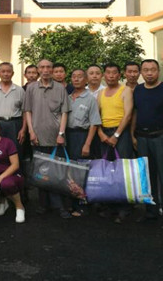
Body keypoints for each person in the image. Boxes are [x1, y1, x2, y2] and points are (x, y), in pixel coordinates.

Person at [131, 59, 163, 230]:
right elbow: (135, 113)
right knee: (147, 177)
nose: (149, 73)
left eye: (153, 69)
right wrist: (132, 135)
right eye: (145, 70)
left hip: (162, 137)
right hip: (142, 138)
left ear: (158, 71)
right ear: (141, 72)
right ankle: (151, 211)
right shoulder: (138, 90)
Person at [24, 59, 71, 218]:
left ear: (52, 69)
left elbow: (64, 112)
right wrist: (31, 132)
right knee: (41, 172)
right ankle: (43, 204)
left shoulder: (60, 88)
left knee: (58, 173)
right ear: (38, 69)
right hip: (37, 137)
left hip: (56, 138)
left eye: (48, 67)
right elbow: (28, 111)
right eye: (42, 67)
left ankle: (60, 206)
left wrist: (61, 134)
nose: (45, 70)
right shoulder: (31, 88)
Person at [96, 63, 134, 223]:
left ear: (119, 75)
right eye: (108, 73)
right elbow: (96, 116)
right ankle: (110, 206)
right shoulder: (101, 93)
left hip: (121, 133)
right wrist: (101, 133)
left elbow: (128, 115)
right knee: (107, 170)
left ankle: (124, 208)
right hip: (104, 133)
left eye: (114, 73)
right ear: (104, 75)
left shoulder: (126, 90)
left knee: (122, 170)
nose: (111, 76)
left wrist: (116, 135)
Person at [67, 68, 101, 216]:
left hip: (82, 136)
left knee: (81, 171)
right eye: (74, 76)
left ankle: (82, 205)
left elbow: (94, 123)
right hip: (68, 136)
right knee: (70, 170)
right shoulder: (68, 97)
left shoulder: (90, 99)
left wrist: (87, 144)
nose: (76, 79)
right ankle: (72, 202)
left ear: (86, 80)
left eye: (80, 76)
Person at [0, 62, 26, 161]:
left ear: (13, 73)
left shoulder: (20, 90)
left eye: (8, 71)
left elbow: (25, 112)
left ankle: (16, 170)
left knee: (15, 152)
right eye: (3, 71)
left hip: (15, 124)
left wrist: (23, 129)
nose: (6, 74)